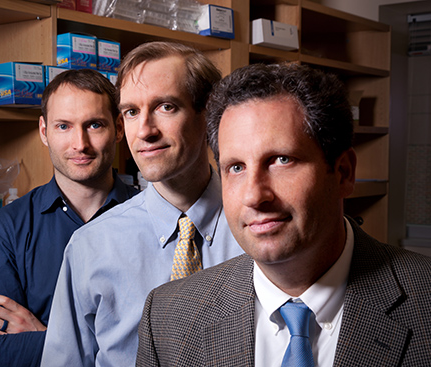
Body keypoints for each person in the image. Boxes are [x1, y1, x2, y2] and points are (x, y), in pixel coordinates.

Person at [136, 63, 431, 366]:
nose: (254, 196)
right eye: (236, 167)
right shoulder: (168, 318)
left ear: (343, 173)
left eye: (281, 160)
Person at [40, 42, 244, 367]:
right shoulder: (90, 246)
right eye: (132, 112)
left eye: (165, 107)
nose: (145, 131)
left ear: (208, 115)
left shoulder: (259, 228)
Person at [0, 69, 139, 367]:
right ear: (44, 131)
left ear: (119, 129)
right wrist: (107, 347)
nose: (79, 144)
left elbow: (167, 343)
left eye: (94, 125)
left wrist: (51, 338)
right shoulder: (9, 229)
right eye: (63, 126)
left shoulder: (152, 216)